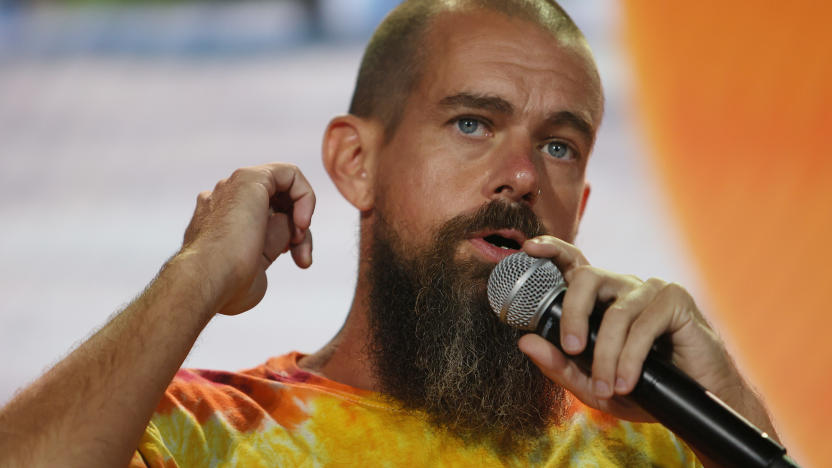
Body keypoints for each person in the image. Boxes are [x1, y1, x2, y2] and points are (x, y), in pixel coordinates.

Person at [0, 1, 781, 466]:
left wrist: (733, 408)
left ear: (581, 205)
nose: (521, 176)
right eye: (473, 123)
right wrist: (195, 275)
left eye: (559, 146)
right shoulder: (206, 433)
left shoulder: (657, 442)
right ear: (354, 162)